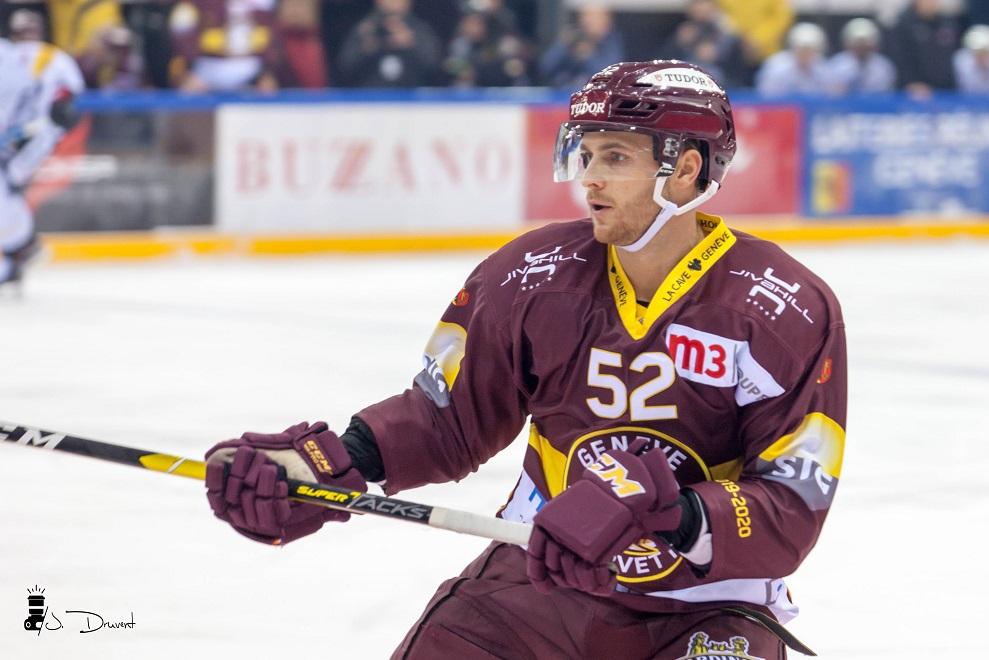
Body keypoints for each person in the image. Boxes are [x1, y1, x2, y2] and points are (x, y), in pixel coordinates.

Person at [204, 60, 846, 659]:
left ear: (685, 170)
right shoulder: (530, 274)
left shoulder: (781, 310)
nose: (590, 177)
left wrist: (676, 515)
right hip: (539, 579)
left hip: (707, 606)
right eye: (586, 154)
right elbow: (448, 420)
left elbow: (792, 500)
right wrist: (337, 463)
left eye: (616, 157)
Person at [1, 17, 84, 288]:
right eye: (22, 30)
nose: (27, 35)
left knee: (9, 185)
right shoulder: (7, 55)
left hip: (36, 138)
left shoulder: (56, 60)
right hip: (11, 136)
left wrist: (62, 110)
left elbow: (68, 104)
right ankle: (19, 249)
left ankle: (22, 246)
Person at [168, 0, 280, 92]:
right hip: (206, 70)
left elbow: (274, 36)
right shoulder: (194, 5)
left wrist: (268, 72)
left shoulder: (264, 4)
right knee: (189, 95)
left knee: (268, 91)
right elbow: (181, 38)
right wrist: (187, 72)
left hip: (252, 71)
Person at [337, 0, 441, 88]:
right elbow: (345, 68)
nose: (394, 2)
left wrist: (410, 45)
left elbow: (434, 67)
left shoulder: (420, 30)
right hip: (369, 98)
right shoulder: (365, 29)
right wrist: (365, 50)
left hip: (411, 99)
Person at [885, 0, 959, 97]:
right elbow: (899, 57)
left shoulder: (947, 24)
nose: (929, 3)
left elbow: (952, 55)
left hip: (946, 88)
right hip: (914, 89)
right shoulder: (903, 26)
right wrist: (910, 82)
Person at [539, 6, 624, 89]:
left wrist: (587, 55)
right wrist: (562, 45)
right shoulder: (573, 39)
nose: (589, 21)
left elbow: (609, 74)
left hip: (597, 94)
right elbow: (545, 67)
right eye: (586, 16)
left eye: (595, 17)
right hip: (564, 93)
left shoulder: (612, 43)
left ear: (607, 20)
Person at [756, 22, 831, 96]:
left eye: (810, 50)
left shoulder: (823, 69)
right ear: (793, 48)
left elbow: (830, 95)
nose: (805, 54)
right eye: (801, 50)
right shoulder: (776, 67)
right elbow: (765, 95)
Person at [826, 17, 897, 95]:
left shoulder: (884, 67)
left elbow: (887, 94)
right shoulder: (836, 65)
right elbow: (830, 93)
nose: (861, 47)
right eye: (857, 44)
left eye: (865, 44)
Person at [954, 24, 989, 93]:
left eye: (984, 51)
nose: (980, 54)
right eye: (977, 51)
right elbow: (966, 85)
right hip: (967, 97)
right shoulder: (961, 59)